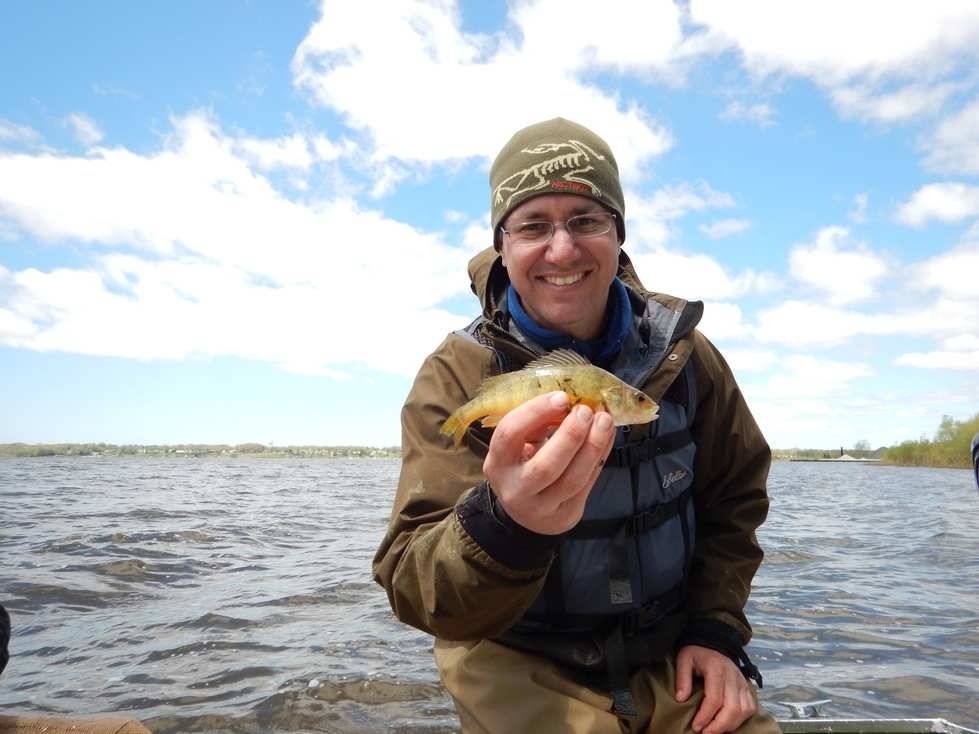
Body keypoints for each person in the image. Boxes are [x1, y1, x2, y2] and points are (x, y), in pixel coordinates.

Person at [372, 118, 779, 734]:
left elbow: (736, 500)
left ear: (618, 234)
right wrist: (507, 525)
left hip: (673, 656)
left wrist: (716, 630)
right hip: (516, 658)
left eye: (586, 220)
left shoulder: (687, 357)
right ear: (502, 245)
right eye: (534, 226)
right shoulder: (453, 376)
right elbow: (414, 585)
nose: (562, 250)